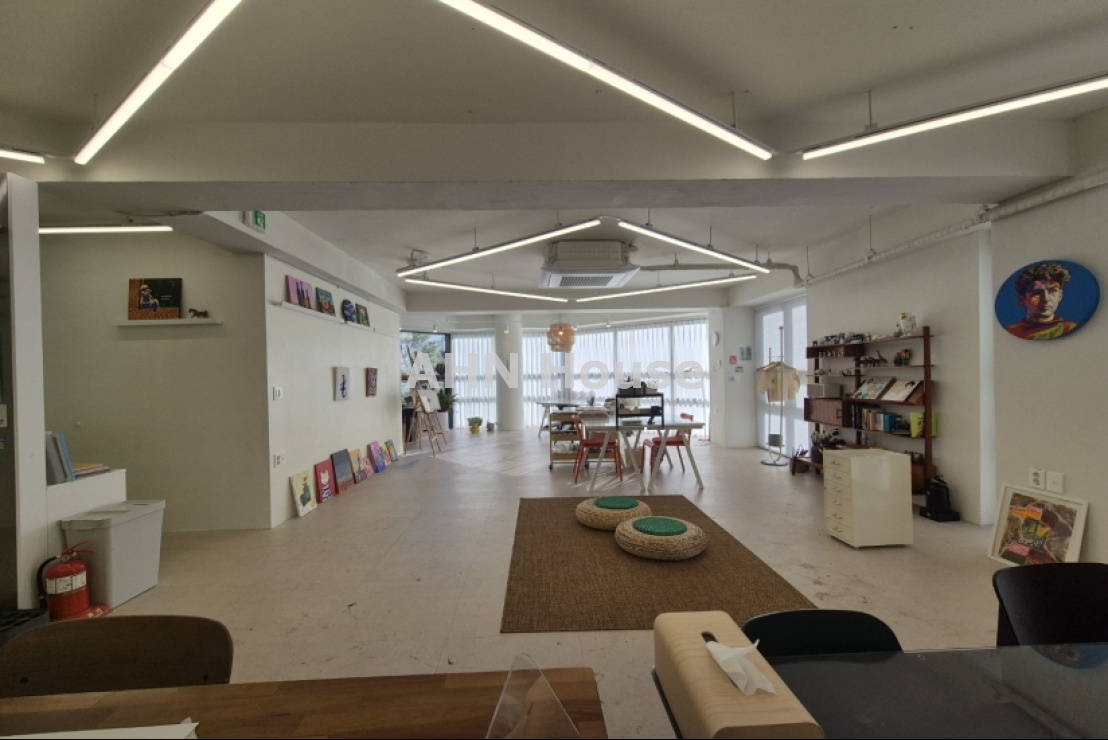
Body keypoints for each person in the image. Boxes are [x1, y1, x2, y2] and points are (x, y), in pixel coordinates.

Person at [1004, 262, 1079, 340]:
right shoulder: (1011, 333)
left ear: (1060, 296)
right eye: (1036, 293)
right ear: (1022, 300)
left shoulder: (1070, 328)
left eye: (1052, 291)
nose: (1046, 299)